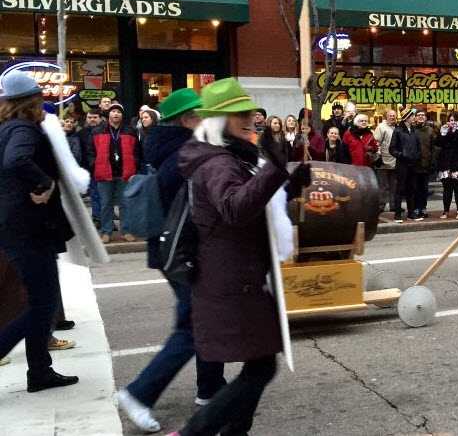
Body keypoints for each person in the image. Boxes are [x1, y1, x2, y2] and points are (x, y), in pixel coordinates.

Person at [172, 78, 309, 436]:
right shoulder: (218, 161)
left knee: (260, 364)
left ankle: (229, 432)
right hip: (232, 279)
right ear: (220, 120)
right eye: (240, 113)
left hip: (240, 276)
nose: (250, 118)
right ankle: (197, 431)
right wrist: (274, 169)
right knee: (261, 366)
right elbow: (235, 207)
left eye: (249, 111)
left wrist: (290, 182)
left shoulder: (230, 154)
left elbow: (255, 201)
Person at [116, 88, 226, 433]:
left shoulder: (168, 145)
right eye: (201, 114)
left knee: (204, 319)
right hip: (182, 251)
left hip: (172, 249)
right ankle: (138, 393)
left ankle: (209, 389)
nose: (207, 119)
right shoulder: (185, 152)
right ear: (186, 119)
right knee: (194, 327)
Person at [0, 71, 79, 393]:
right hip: (30, 228)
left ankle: (40, 372)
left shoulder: (5, 128)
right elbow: (16, 161)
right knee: (41, 303)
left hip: (17, 226)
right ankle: (37, 369)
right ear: (34, 100)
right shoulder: (23, 129)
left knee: (39, 301)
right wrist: (44, 182)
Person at [88, 103, 139, 243]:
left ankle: (126, 231)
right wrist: (94, 165)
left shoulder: (130, 130)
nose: (116, 114)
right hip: (104, 172)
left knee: (125, 203)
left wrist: (135, 165)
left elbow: (137, 152)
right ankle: (106, 231)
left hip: (125, 172)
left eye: (118, 112)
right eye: (113, 111)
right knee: (105, 204)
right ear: (108, 114)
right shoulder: (98, 131)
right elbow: (90, 152)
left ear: (122, 115)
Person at [436, 112, 458, 219]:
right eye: (450, 120)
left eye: (454, 120)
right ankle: (446, 211)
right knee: (447, 189)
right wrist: (443, 133)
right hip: (446, 163)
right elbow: (438, 143)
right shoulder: (444, 130)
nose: (452, 122)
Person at [390, 109, 421, 222]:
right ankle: (397, 214)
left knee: (411, 189)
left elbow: (418, 146)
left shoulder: (414, 131)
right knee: (400, 189)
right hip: (402, 164)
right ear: (407, 118)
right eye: (412, 116)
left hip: (412, 164)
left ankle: (411, 213)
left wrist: (417, 155)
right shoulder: (398, 131)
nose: (414, 118)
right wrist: (402, 155)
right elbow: (392, 149)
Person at [79, 109, 103, 223]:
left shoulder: (106, 131)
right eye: (90, 117)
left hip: (105, 167)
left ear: (100, 118)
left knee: (105, 196)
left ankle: (106, 219)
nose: (92, 119)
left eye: (95, 117)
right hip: (89, 168)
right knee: (95, 194)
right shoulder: (81, 133)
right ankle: (97, 218)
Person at [413, 109, 437, 218]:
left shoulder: (430, 130)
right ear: (415, 117)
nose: (421, 117)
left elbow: (434, 147)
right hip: (415, 164)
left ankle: (423, 207)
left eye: (423, 115)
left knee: (424, 188)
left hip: (426, 164)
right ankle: (416, 208)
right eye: (419, 115)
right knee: (415, 188)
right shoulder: (412, 130)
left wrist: (433, 161)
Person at [373, 110, 398, 212]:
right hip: (383, 161)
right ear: (386, 116)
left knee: (394, 186)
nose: (392, 117)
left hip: (395, 161)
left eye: (394, 116)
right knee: (383, 186)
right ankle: (381, 206)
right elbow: (376, 143)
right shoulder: (381, 127)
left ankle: (393, 206)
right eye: (390, 115)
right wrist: (378, 155)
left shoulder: (397, 127)